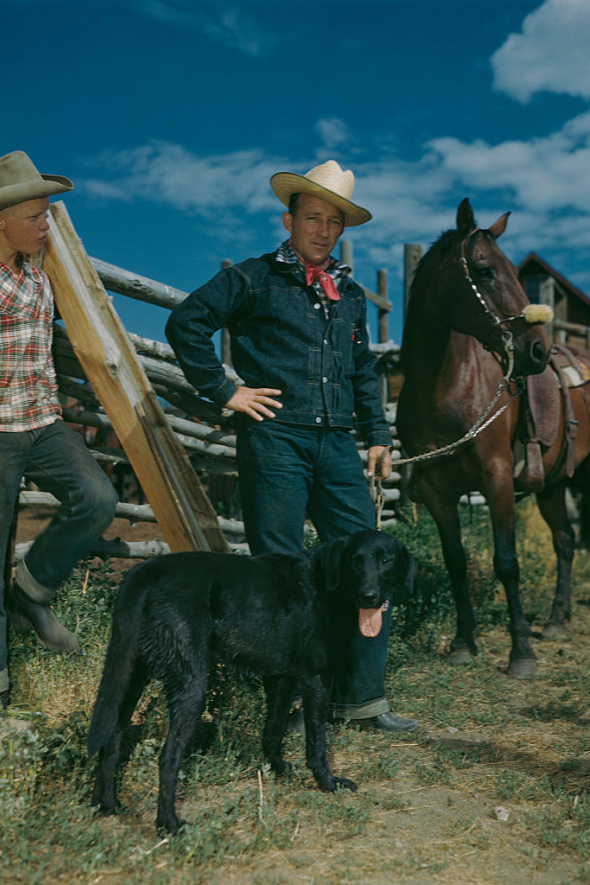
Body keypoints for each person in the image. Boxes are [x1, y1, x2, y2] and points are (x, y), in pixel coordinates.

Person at [166, 160, 417, 732]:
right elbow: (187, 322)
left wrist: (377, 435)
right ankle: (292, 708)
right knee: (282, 574)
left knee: (368, 561)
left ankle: (363, 698)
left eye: (335, 222)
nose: (324, 230)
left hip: (335, 447)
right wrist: (225, 390)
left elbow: (360, 371)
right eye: (313, 218)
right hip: (275, 439)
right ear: (290, 218)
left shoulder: (349, 294)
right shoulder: (254, 279)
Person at [0, 151, 118, 717]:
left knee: (97, 498)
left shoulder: (38, 280)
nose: (47, 226)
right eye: (37, 217)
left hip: (42, 424)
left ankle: (32, 594)